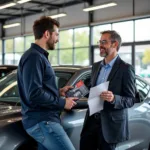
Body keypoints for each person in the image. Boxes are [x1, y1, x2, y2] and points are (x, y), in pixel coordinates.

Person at [17, 16, 78, 150]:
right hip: (43, 121)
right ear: (47, 34)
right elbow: (34, 94)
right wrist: (63, 102)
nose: (57, 39)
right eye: (56, 34)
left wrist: (58, 92)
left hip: (43, 121)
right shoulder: (34, 57)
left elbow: (37, 89)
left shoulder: (38, 56)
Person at [80, 30, 136, 150]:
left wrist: (114, 98)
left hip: (110, 126)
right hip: (91, 122)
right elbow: (92, 90)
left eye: (104, 42)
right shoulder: (95, 66)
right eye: (100, 42)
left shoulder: (125, 69)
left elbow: (131, 99)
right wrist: (76, 90)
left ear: (115, 44)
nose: (100, 45)